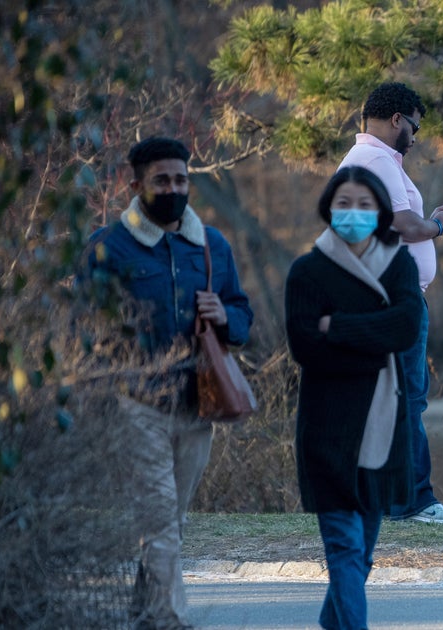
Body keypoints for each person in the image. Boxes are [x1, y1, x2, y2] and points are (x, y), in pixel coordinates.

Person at [86, 137, 253, 629]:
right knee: (159, 520)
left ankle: (145, 614)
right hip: (136, 402)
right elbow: (77, 324)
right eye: (162, 180)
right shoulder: (108, 247)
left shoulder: (212, 244)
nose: (174, 188)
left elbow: (242, 311)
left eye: (181, 179)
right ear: (136, 185)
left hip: (199, 401)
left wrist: (225, 316)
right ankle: (171, 620)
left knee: (171, 523)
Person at [285, 166, 424, 630]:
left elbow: (405, 329)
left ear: (381, 211)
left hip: (384, 423)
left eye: (365, 205)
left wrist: (338, 328)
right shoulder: (308, 271)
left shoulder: (398, 264)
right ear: (329, 207)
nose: (354, 213)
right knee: (343, 548)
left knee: (360, 554)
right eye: (344, 203)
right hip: (328, 426)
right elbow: (305, 346)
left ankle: (333, 621)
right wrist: (372, 342)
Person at [337, 81, 443, 524]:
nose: (416, 136)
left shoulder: (370, 160)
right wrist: (439, 223)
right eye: (414, 126)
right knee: (408, 400)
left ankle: (381, 498)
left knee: (391, 400)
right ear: (397, 120)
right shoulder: (375, 158)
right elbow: (404, 225)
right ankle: (415, 502)